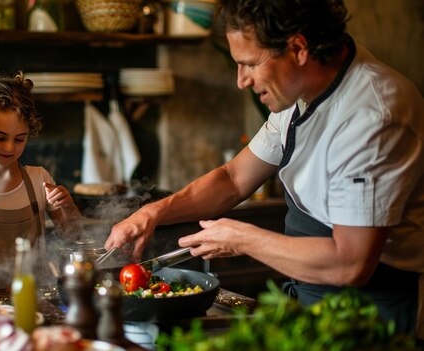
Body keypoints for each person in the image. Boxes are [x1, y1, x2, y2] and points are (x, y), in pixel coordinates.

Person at [105, 0, 424, 338]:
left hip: (372, 312)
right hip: (311, 295)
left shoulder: (372, 115)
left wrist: (242, 239)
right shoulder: (300, 90)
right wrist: (150, 214)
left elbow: (351, 263)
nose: (241, 80)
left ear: (298, 48)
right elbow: (233, 179)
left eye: (250, 64)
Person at [0, 72, 82, 289]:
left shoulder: (39, 180)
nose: (9, 147)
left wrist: (68, 207)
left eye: (19, 139)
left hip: (37, 300)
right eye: (0, 137)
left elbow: (74, 235)